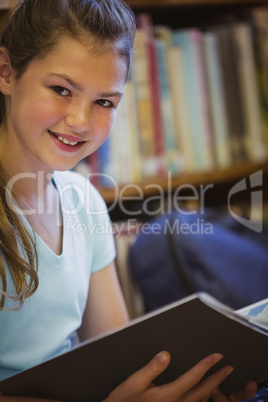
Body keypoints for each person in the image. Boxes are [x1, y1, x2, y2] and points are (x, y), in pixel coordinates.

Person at [0, 0, 258, 401]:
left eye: (105, 102)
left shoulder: (84, 203)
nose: (81, 121)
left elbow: (117, 361)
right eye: (61, 90)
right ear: (6, 72)